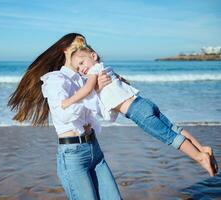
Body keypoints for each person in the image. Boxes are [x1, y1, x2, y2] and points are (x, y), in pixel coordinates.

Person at [61, 46, 219, 177]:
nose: (82, 69)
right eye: (78, 68)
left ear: (93, 56)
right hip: (143, 102)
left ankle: (200, 157)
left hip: (137, 112)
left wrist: (68, 101)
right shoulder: (106, 68)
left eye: (82, 62)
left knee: (170, 137)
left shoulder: (93, 72)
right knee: (173, 128)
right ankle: (202, 148)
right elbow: (124, 81)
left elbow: (87, 89)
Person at [8, 33, 123, 199]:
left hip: (95, 149)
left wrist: (113, 92)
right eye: (76, 46)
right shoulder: (55, 79)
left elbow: (108, 116)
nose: (80, 49)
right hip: (73, 154)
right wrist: (90, 92)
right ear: (65, 50)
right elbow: (63, 115)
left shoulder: (86, 81)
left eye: (83, 45)